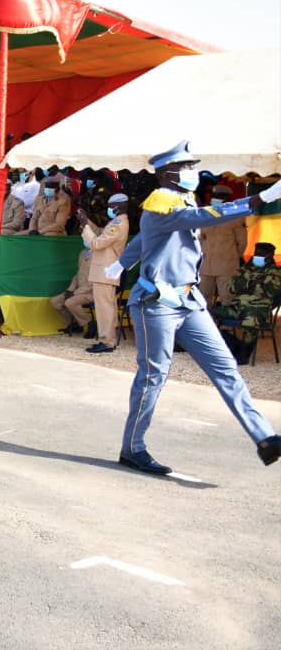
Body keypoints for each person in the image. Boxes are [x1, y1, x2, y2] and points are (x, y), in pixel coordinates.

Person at [108, 141, 280, 472]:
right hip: (157, 303)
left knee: (226, 368)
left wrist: (122, 264)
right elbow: (203, 217)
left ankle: (265, 438)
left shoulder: (177, 201)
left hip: (189, 300)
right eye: (186, 167)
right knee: (153, 376)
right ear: (168, 173)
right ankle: (132, 448)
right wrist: (260, 199)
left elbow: (146, 238)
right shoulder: (161, 204)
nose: (192, 172)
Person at [80, 193, 130, 353]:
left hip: (105, 271)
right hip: (105, 270)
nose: (108, 209)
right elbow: (101, 233)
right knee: (108, 307)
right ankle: (109, 340)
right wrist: (86, 221)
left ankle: (107, 341)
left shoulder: (118, 224)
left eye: (110, 206)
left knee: (104, 309)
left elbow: (96, 243)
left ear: (118, 207)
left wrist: (85, 227)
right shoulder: (116, 222)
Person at [212, 242, 281, 344]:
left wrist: (244, 283)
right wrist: (252, 283)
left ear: (269, 256)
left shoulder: (275, 271)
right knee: (207, 314)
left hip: (257, 309)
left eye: (260, 254)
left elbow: (268, 290)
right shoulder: (246, 268)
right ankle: (231, 344)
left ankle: (244, 351)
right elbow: (232, 288)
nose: (256, 257)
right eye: (255, 253)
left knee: (250, 324)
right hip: (238, 307)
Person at [197, 185, 247, 307]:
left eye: (219, 197)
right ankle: (206, 324)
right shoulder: (203, 213)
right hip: (206, 264)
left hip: (226, 265)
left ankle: (227, 325)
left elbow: (242, 242)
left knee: (227, 297)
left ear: (227, 199)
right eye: (215, 196)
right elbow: (197, 237)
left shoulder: (235, 215)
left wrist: (233, 255)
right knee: (203, 298)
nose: (216, 199)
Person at [50, 248, 93, 335]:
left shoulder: (100, 254)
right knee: (55, 301)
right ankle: (73, 324)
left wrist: (74, 293)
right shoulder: (83, 252)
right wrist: (70, 289)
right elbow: (78, 274)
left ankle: (90, 323)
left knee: (70, 302)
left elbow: (94, 282)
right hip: (77, 290)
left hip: (92, 292)